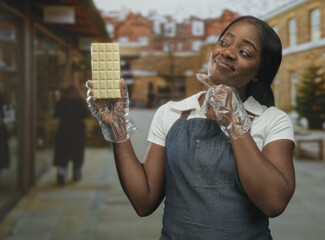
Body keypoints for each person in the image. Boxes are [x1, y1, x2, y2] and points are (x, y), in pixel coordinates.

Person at [87, 15, 295, 239]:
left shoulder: (273, 120)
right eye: (224, 42)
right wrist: (118, 129)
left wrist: (235, 122)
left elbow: (274, 203)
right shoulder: (172, 113)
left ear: (259, 74)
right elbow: (144, 201)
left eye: (244, 52)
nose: (226, 52)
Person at [54, 84, 90, 185]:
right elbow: (86, 114)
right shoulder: (80, 102)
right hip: (77, 131)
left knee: (63, 154)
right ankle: (76, 173)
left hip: (63, 131)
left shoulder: (61, 102)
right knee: (77, 154)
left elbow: (56, 114)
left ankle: (61, 174)